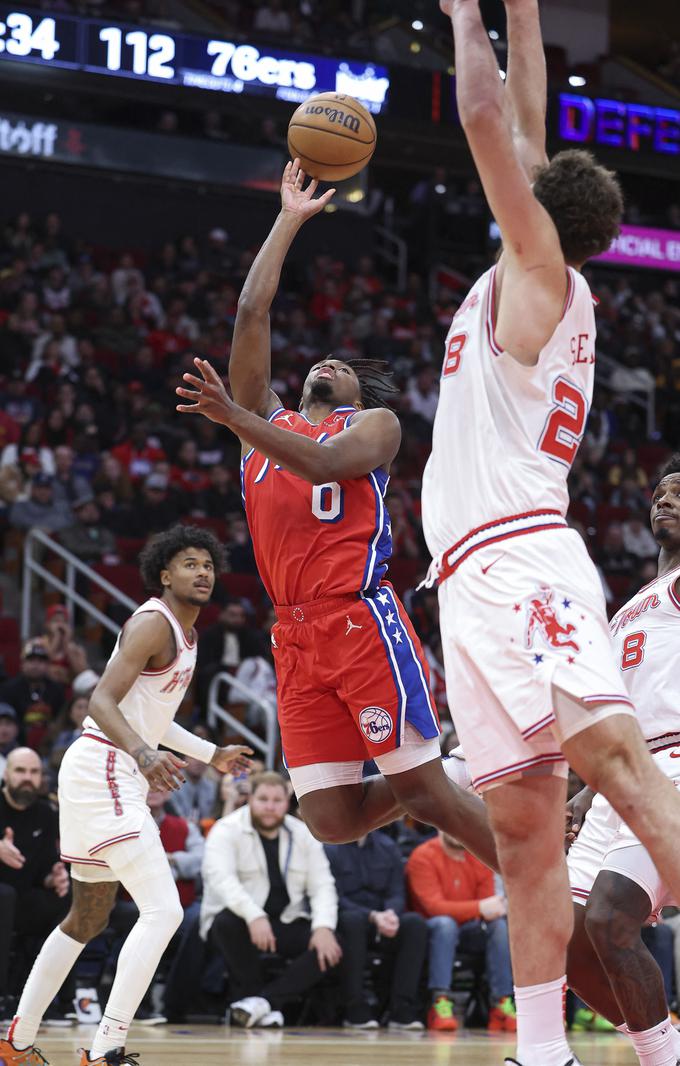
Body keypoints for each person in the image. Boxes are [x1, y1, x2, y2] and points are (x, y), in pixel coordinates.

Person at [422, 3, 680, 1065]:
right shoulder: (536, 272)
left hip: (523, 556)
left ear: (531, 212)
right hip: (466, 578)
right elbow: (523, 123)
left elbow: (483, 112)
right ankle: (541, 1053)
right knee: (526, 833)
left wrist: (460, 18)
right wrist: (522, 15)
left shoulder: (536, 276)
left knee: (616, 766)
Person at [176, 159, 497, 871]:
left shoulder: (375, 426)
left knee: (425, 793)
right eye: (322, 359)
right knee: (330, 820)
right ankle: (445, 767)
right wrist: (288, 220)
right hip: (292, 633)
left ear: (357, 389)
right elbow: (251, 313)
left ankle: (544, 886)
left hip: (358, 619)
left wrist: (234, 417)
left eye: (342, 366)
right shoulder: (266, 419)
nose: (327, 362)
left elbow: (320, 466)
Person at [0, 525, 252, 1066]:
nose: (202, 571)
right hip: (105, 767)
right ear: (165, 575)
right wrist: (141, 753)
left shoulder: (188, 635)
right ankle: (106, 1047)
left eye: (208, 564)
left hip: (106, 769)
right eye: (189, 563)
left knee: (87, 918)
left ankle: (15, 1041)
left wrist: (212, 754)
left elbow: (152, 717)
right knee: (163, 910)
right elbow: (100, 702)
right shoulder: (150, 623)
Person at [565, 456, 680, 1066]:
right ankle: (665, 1046)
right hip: (616, 777)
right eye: (661, 492)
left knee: (612, 919)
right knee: (566, 934)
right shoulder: (635, 602)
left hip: (671, 768)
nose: (667, 499)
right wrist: (586, 790)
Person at [201, 770, 341, 1028]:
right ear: (250, 799)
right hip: (243, 922)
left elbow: (323, 885)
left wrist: (323, 927)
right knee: (225, 922)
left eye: (277, 801)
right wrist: (254, 915)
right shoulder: (226, 829)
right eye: (263, 799)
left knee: (332, 943)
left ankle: (262, 1004)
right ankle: (258, 1001)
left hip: (286, 920)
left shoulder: (303, 834)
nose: (270, 807)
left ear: (287, 802)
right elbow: (221, 880)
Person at [406, 831, 516, 1033]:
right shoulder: (423, 856)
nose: (456, 830)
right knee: (445, 924)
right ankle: (440, 1002)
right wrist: (479, 908)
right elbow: (433, 907)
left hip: (467, 929)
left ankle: (501, 1002)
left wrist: (481, 909)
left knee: (498, 926)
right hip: (430, 930)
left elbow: (489, 908)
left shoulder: (477, 856)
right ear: (439, 827)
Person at [325, 828, 427, 1029]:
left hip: (383, 921)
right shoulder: (330, 848)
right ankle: (354, 1006)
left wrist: (391, 914)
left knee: (415, 923)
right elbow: (334, 898)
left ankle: (401, 1008)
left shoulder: (388, 847)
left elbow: (397, 892)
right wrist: (372, 916)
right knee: (352, 921)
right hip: (349, 921)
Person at [0, 749, 70, 1025]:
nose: (27, 778)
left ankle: (53, 1001)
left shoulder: (47, 814)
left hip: (21, 901)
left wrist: (54, 878)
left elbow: (45, 868)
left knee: (66, 898)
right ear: (6, 775)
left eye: (34, 772)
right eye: (20, 771)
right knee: (4, 896)